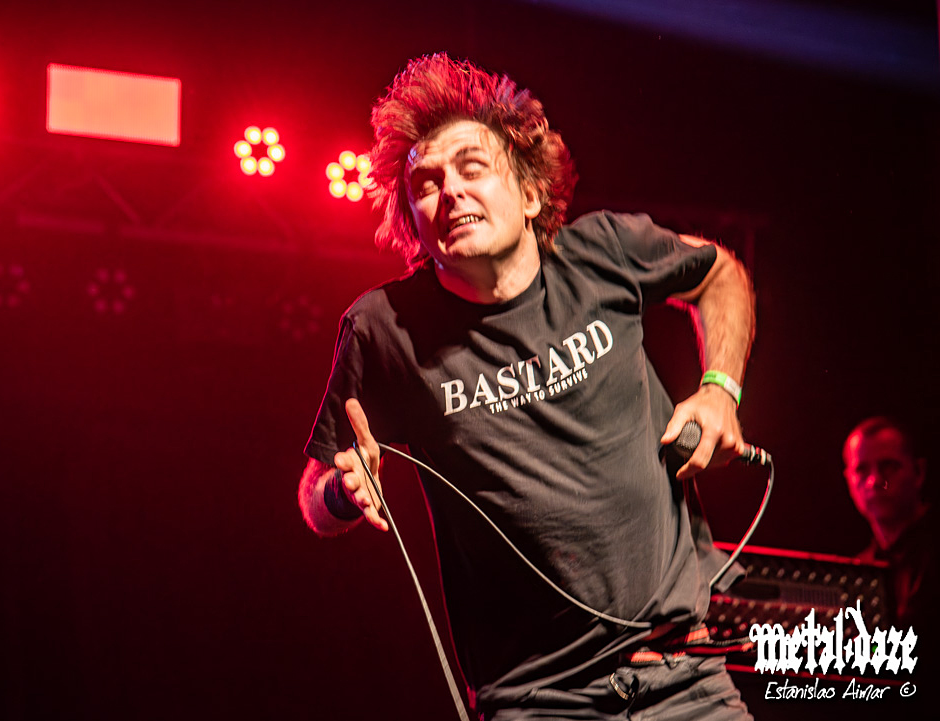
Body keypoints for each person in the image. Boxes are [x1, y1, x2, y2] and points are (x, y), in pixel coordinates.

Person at [298, 53, 756, 719]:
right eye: (426, 184)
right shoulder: (383, 329)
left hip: (684, 676)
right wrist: (343, 490)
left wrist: (720, 388)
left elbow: (721, 274)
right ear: (413, 224)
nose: (449, 192)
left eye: (472, 168)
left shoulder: (604, 252)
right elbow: (313, 496)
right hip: (537, 701)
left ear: (532, 193)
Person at [843, 416, 935, 638]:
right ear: (848, 480)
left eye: (889, 467)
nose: (875, 481)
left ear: (919, 472)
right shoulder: (858, 571)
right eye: (861, 470)